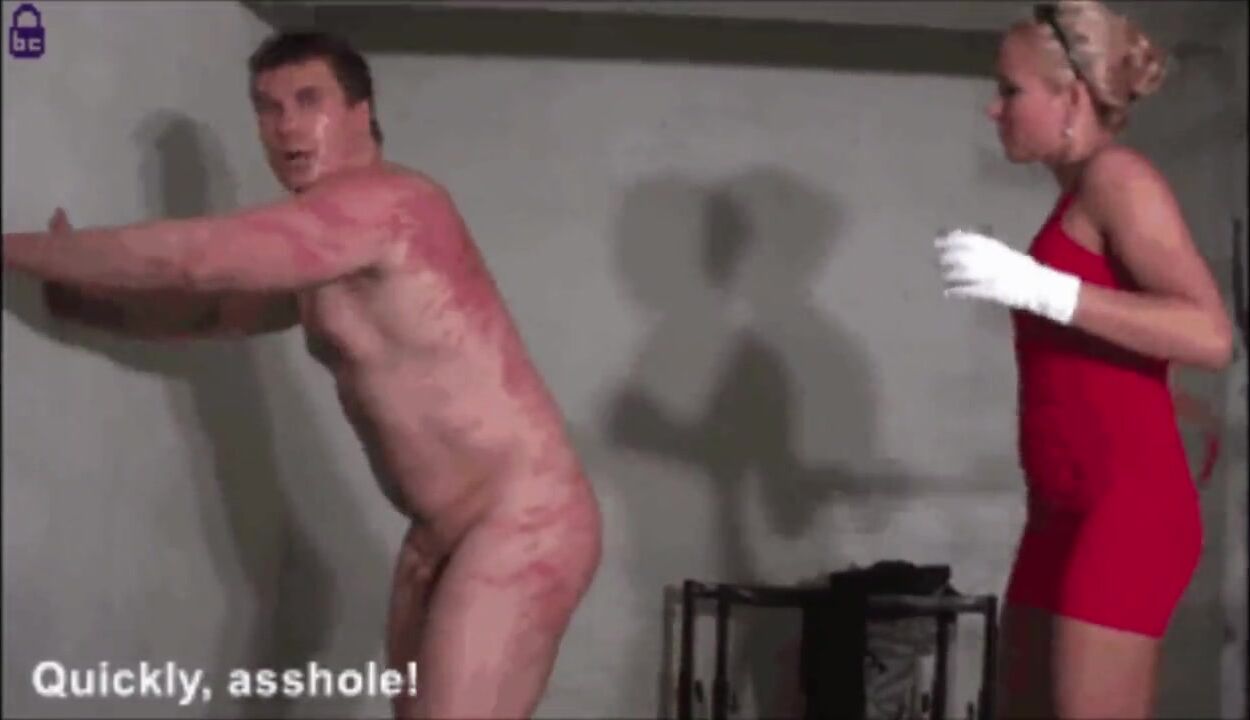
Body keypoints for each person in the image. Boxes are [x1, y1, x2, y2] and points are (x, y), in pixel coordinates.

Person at [3, 30, 603, 720]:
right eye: (268, 107)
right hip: (440, 531)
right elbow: (210, 310)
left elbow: (196, 259)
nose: (286, 126)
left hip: (523, 518)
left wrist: (28, 251)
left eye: (308, 101)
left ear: (360, 112)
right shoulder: (324, 250)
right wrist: (78, 300)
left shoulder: (391, 204)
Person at [934, 1, 1235, 717]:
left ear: (1069, 99)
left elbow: (1211, 334)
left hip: (1125, 510)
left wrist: (1040, 288)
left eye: (1010, 90)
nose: (994, 108)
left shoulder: (1119, 177)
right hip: (1060, 508)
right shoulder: (1079, 196)